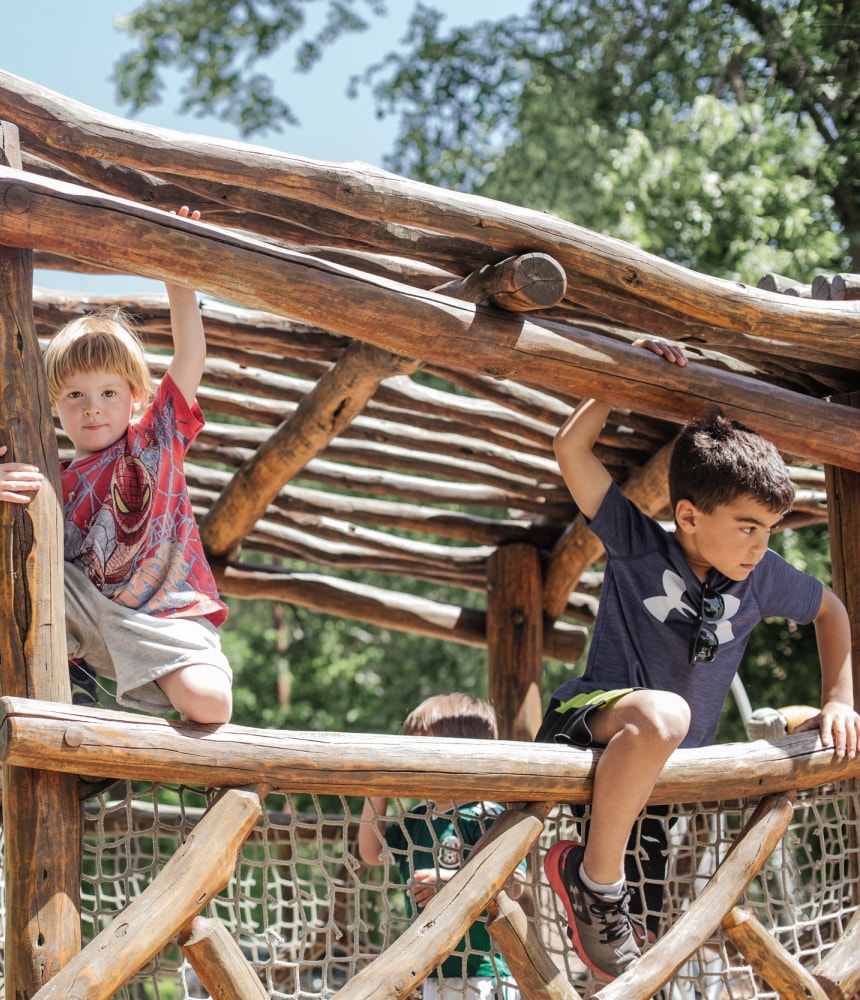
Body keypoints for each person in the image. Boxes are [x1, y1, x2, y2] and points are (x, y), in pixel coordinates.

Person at [540, 339, 860, 980]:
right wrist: (620, 374)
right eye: (747, 526)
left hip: (661, 790)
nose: (760, 544)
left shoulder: (762, 577)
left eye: (769, 528)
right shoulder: (638, 545)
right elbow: (571, 451)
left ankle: (602, 890)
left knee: (630, 959)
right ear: (688, 514)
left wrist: (839, 699)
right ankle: (590, 876)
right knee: (665, 715)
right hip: (593, 722)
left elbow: (832, 611)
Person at [0, 208, 233, 725]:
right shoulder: (53, 480)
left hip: (166, 615)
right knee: (36, 567)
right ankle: (72, 691)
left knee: (210, 704)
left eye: (108, 392)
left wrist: (177, 276)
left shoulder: (156, 438)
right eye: (75, 395)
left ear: (135, 397)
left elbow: (191, 354)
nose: (92, 407)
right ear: (53, 405)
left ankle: (155, 725)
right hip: (90, 618)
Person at [357, 693, 524, 1000]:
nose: (414, 766)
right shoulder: (420, 819)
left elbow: (513, 885)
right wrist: (377, 785)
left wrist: (453, 885)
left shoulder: (487, 815)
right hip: (427, 967)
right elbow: (372, 851)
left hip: (480, 970)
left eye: (424, 755)